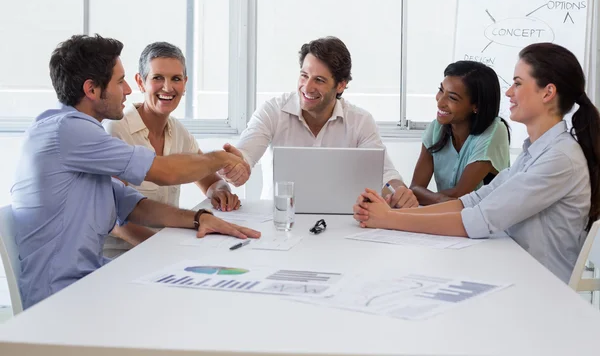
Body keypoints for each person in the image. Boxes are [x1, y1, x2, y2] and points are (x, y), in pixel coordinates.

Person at [11, 34, 260, 309]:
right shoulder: (68, 131)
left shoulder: (81, 138)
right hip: (63, 298)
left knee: (202, 292)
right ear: (92, 89)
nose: (128, 90)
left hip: (92, 279)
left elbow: (134, 205)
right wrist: (222, 157)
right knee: (196, 302)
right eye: (120, 81)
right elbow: (163, 172)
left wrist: (199, 218)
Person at [353, 42, 600, 283]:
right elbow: (472, 201)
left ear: (548, 92)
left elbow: (480, 219)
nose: (509, 92)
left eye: (517, 83)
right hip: (514, 271)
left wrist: (389, 220)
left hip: (542, 288)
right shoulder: (534, 152)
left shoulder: (560, 158)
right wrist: (396, 213)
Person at [221, 36, 418, 208]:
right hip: (279, 221)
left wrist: (398, 191)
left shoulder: (360, 121)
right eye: (304, 76)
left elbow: (384, 175)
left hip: (341, 225)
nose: (307, 87)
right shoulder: (273, 111)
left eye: (319, 80)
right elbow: (245, 153)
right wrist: (237, 167)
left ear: (341, 85)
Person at [103, 42, 239, 258]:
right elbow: (115, 221)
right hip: (121, 258)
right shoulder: (117, 129)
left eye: (176, 79)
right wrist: (166, 250)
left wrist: (220, 191)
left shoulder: (178, 132)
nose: (167, 88)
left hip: (164, 253)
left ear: (185, 84)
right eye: (157, 78)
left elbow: (211, 181)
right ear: (140, 82)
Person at [410, 61, 510, 205]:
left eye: (452, 97)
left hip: (487, 221)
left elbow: (461, 194)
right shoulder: (436, 128)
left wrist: (425, 197)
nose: (440, 102)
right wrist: (435, 199)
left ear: (476, 106)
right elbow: (415, 188)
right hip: (451, 216)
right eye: (441, 90)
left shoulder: (495, 130)